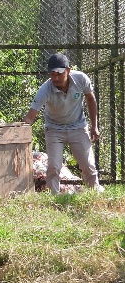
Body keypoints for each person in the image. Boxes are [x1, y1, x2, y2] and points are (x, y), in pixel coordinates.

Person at [23, 52, 103, 194]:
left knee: (88, 164)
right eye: (52, 74)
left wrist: (94, 126)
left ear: (68, 70)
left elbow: (91, 99)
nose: (56, 78)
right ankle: (54, 199)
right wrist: (16, 134)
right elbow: (30, 117)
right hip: (54, 130)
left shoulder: (81, 79)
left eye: (59, 73)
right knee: (53, 166)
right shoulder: (45, 89)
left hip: (78, 127)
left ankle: (95, 194)